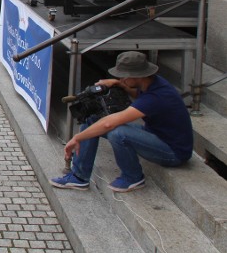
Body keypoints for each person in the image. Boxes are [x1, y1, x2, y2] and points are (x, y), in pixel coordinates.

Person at [51, 51, 193, 193]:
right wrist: (121, 85)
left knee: (118, 133)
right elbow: (137, 95)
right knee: (93, 119)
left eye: (123, 76)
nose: (120, 78)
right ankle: (79, 177)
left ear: (137, 76)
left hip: (173, 152)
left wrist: (77, 138)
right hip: (155, 134)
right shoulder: (152, 83)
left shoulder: (157, 97)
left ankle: (133, 177)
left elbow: (109, 123)